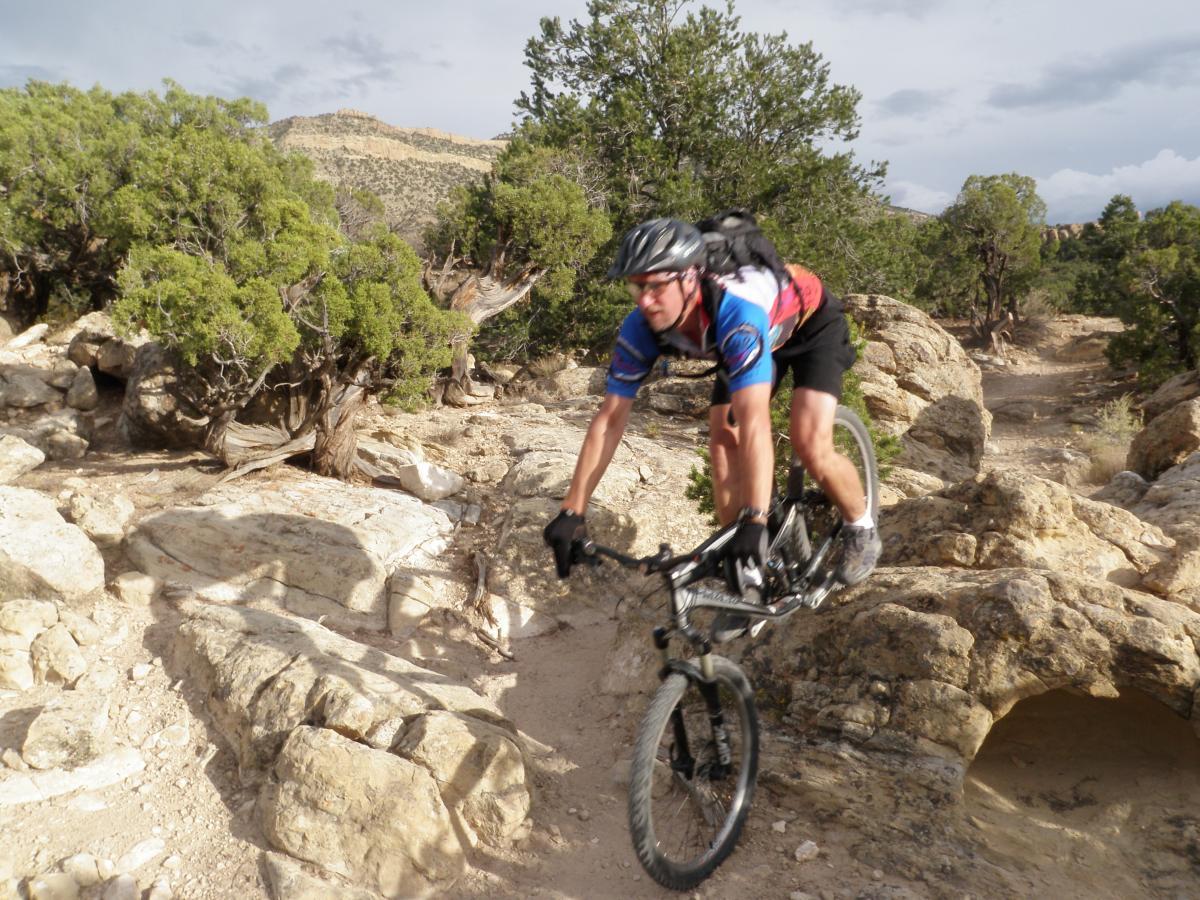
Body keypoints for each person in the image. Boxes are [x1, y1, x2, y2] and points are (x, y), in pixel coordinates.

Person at [543, 217, 880, 624]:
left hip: (809, 329)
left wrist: (754, 519)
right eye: (637, 286)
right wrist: (572, 511)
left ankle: (860, 527)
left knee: (809, 442)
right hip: (754, 341)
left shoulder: (736, 314)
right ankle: (747, 572)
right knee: (722, 437)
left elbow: (756, 423)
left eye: (656, 286)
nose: (645, 300)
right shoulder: (641, 326)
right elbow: (610, 418)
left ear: (689, 278)